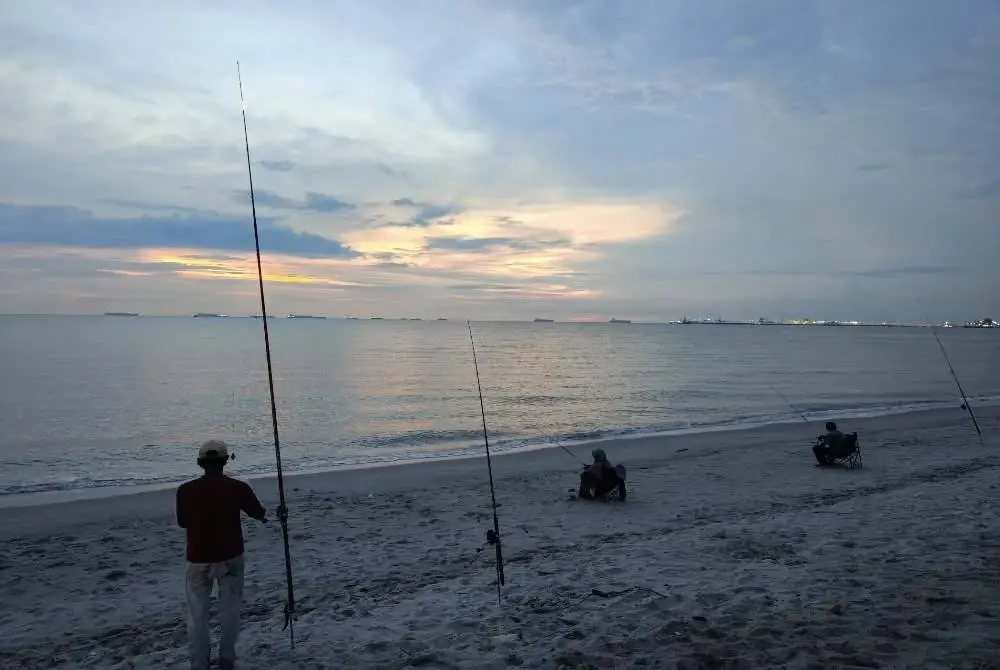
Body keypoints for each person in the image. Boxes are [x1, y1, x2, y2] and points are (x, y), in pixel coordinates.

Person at [176, 440, 267, 670]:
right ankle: (226, 658)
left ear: (200, 463)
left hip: (198, 558)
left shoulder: (185, 490)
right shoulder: (238, 487)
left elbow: (182, 522)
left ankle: (199, 663)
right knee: (230, 610)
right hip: (231, 556)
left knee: (197, 615)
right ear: (225, 461)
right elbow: (258, 513)